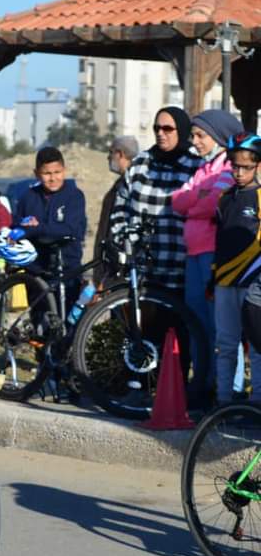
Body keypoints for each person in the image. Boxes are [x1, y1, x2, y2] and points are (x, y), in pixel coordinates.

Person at [172, 109, 244, 399]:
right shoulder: (204, 169)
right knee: (197, 324)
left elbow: (214, 202)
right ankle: (203, 382)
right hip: (194, 254)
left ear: (218, 136)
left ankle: (230, 390)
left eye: (200, 135)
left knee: (222, 326)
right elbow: (177, 201)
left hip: (214, 254)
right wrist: (197, 199)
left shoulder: (228, 167)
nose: (195, 141)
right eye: (193, 135)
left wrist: (196, 200)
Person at [108, 107, 203, 292]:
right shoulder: (140, 164)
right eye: (156, 128)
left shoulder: (197, 168)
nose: (160, 133)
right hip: (140, 269)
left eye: (167, 129)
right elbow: (120, 207)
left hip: (180, 269)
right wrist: (125, 241)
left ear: (181, 130)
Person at [212, 133, 261, 406]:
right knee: (226, 344)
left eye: (246, 167)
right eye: (235, 166)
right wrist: (213, 276)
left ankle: (257, 404)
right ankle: (223, 402)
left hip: (253, 284)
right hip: (224, 282)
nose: (239, 173)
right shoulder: (224, 197)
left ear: (258, 166)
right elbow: (219, 237)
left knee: (257, 346)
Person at [9, 146, 87, 310]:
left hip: (67, 267)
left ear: (64, 170)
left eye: (57, 172)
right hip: (36, 269)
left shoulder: (74, 196)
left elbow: (69, 229)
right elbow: (16, 225)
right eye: (47, 173)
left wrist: (36, 229)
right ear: (36, 173)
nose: (53, 178)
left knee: (68, 318)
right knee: (39, 317)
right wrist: (23, 227)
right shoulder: (28, 197)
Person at [94, 136, 139, 287]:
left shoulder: (129, 186)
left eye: (110, 152)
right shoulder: (121, 184)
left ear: (120, 154)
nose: (108, 157)